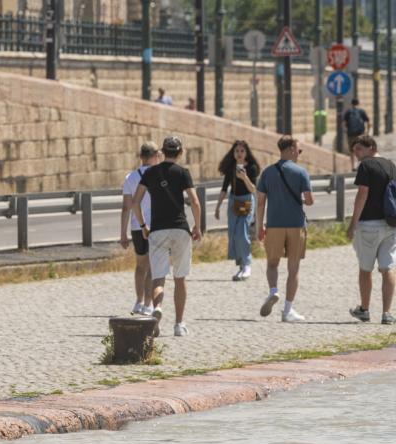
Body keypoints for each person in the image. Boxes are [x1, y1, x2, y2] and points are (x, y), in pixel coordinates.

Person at [130, 135, 203, 336]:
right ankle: (179, 324)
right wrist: (197, 226)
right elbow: (195, 202)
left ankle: (157, 309)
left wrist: (143, 225)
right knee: (180, 278)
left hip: (158, 230)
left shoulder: (151, 173)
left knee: (158, 278)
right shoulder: (183, 173)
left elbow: (135, 202)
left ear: (162, 152)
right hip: (180, 229)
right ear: (180, 153)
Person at [255, 136, 315, 323]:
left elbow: (260, 202)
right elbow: (310, 200)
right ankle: (287, 310)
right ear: (290, 149)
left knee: (272, 263)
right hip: (296, 225)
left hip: (274, 225)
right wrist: (302, 200)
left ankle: (273, 291)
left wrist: (260, 226)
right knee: (293, 268)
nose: (299, 153)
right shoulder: (301, 172)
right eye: (298, 150)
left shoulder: (268, 172)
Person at [346, 134, 396, 325]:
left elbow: (362, 194)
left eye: (359, 149)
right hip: (390, 224)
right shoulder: (391, 165)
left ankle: (365, 309)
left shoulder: (366, 166)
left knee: (365, 269)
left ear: (371, 147)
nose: (356, 154)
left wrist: (353, 223)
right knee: (387, 268)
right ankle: (387, 313)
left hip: (368, 225)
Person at [119, 142, 160, 316]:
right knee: (152, 266)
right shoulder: (159, 175)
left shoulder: (130, 178)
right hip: (154, 226)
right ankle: (148, 303)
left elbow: (126, 207)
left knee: (140, 265)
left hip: (137, 226)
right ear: (155, 155)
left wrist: (123, 233)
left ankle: (138, 300)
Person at [214, 140, 260, 281]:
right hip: (233, 201)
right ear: (233, 153)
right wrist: (218, 206)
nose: (239, 154)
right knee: (234, 234)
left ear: (246, 153)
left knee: (242, 232)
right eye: (236, 151)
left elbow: (253, 189)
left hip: (246, 200)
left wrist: (244, 177)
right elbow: (224, 188)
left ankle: (247, 265)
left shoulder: (251, 168)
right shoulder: (231, 168)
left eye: (242, 151)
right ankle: (241, 267)